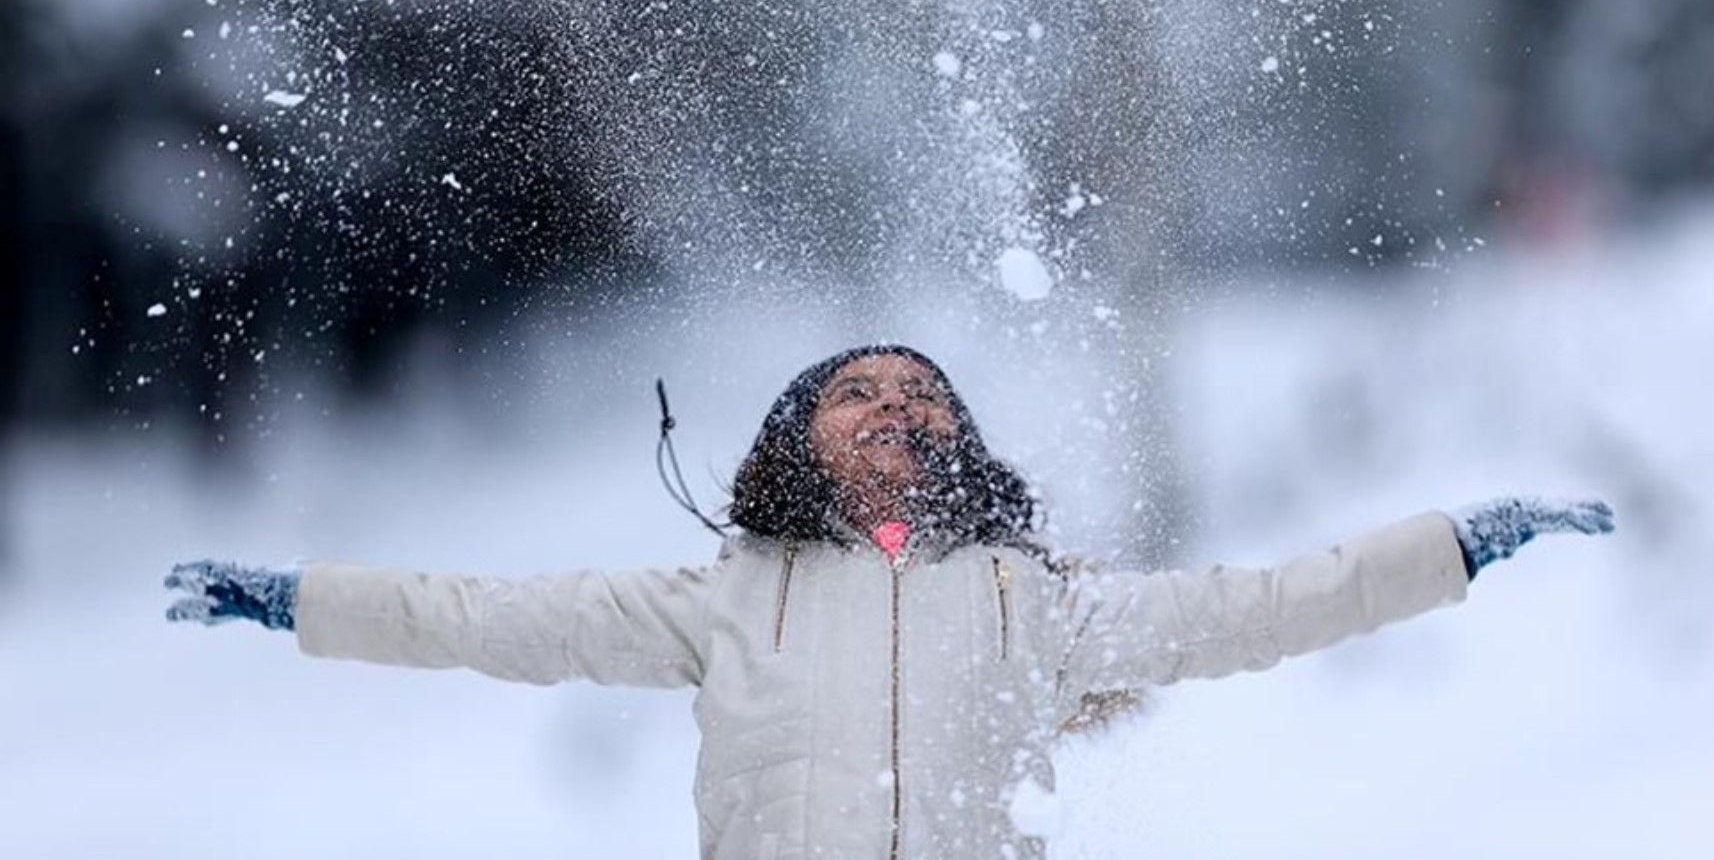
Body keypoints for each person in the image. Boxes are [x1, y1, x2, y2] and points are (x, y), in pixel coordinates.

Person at [164, 344, 1614, 859]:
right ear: (797, 438)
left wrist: (1454, 547)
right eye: (856, 392)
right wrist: (302, 600)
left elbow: (1264, 606)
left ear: (961, 443)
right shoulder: (720, 598)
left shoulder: (1033, 605)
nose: (893, 407)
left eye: (923, 395)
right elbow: (481, 615)